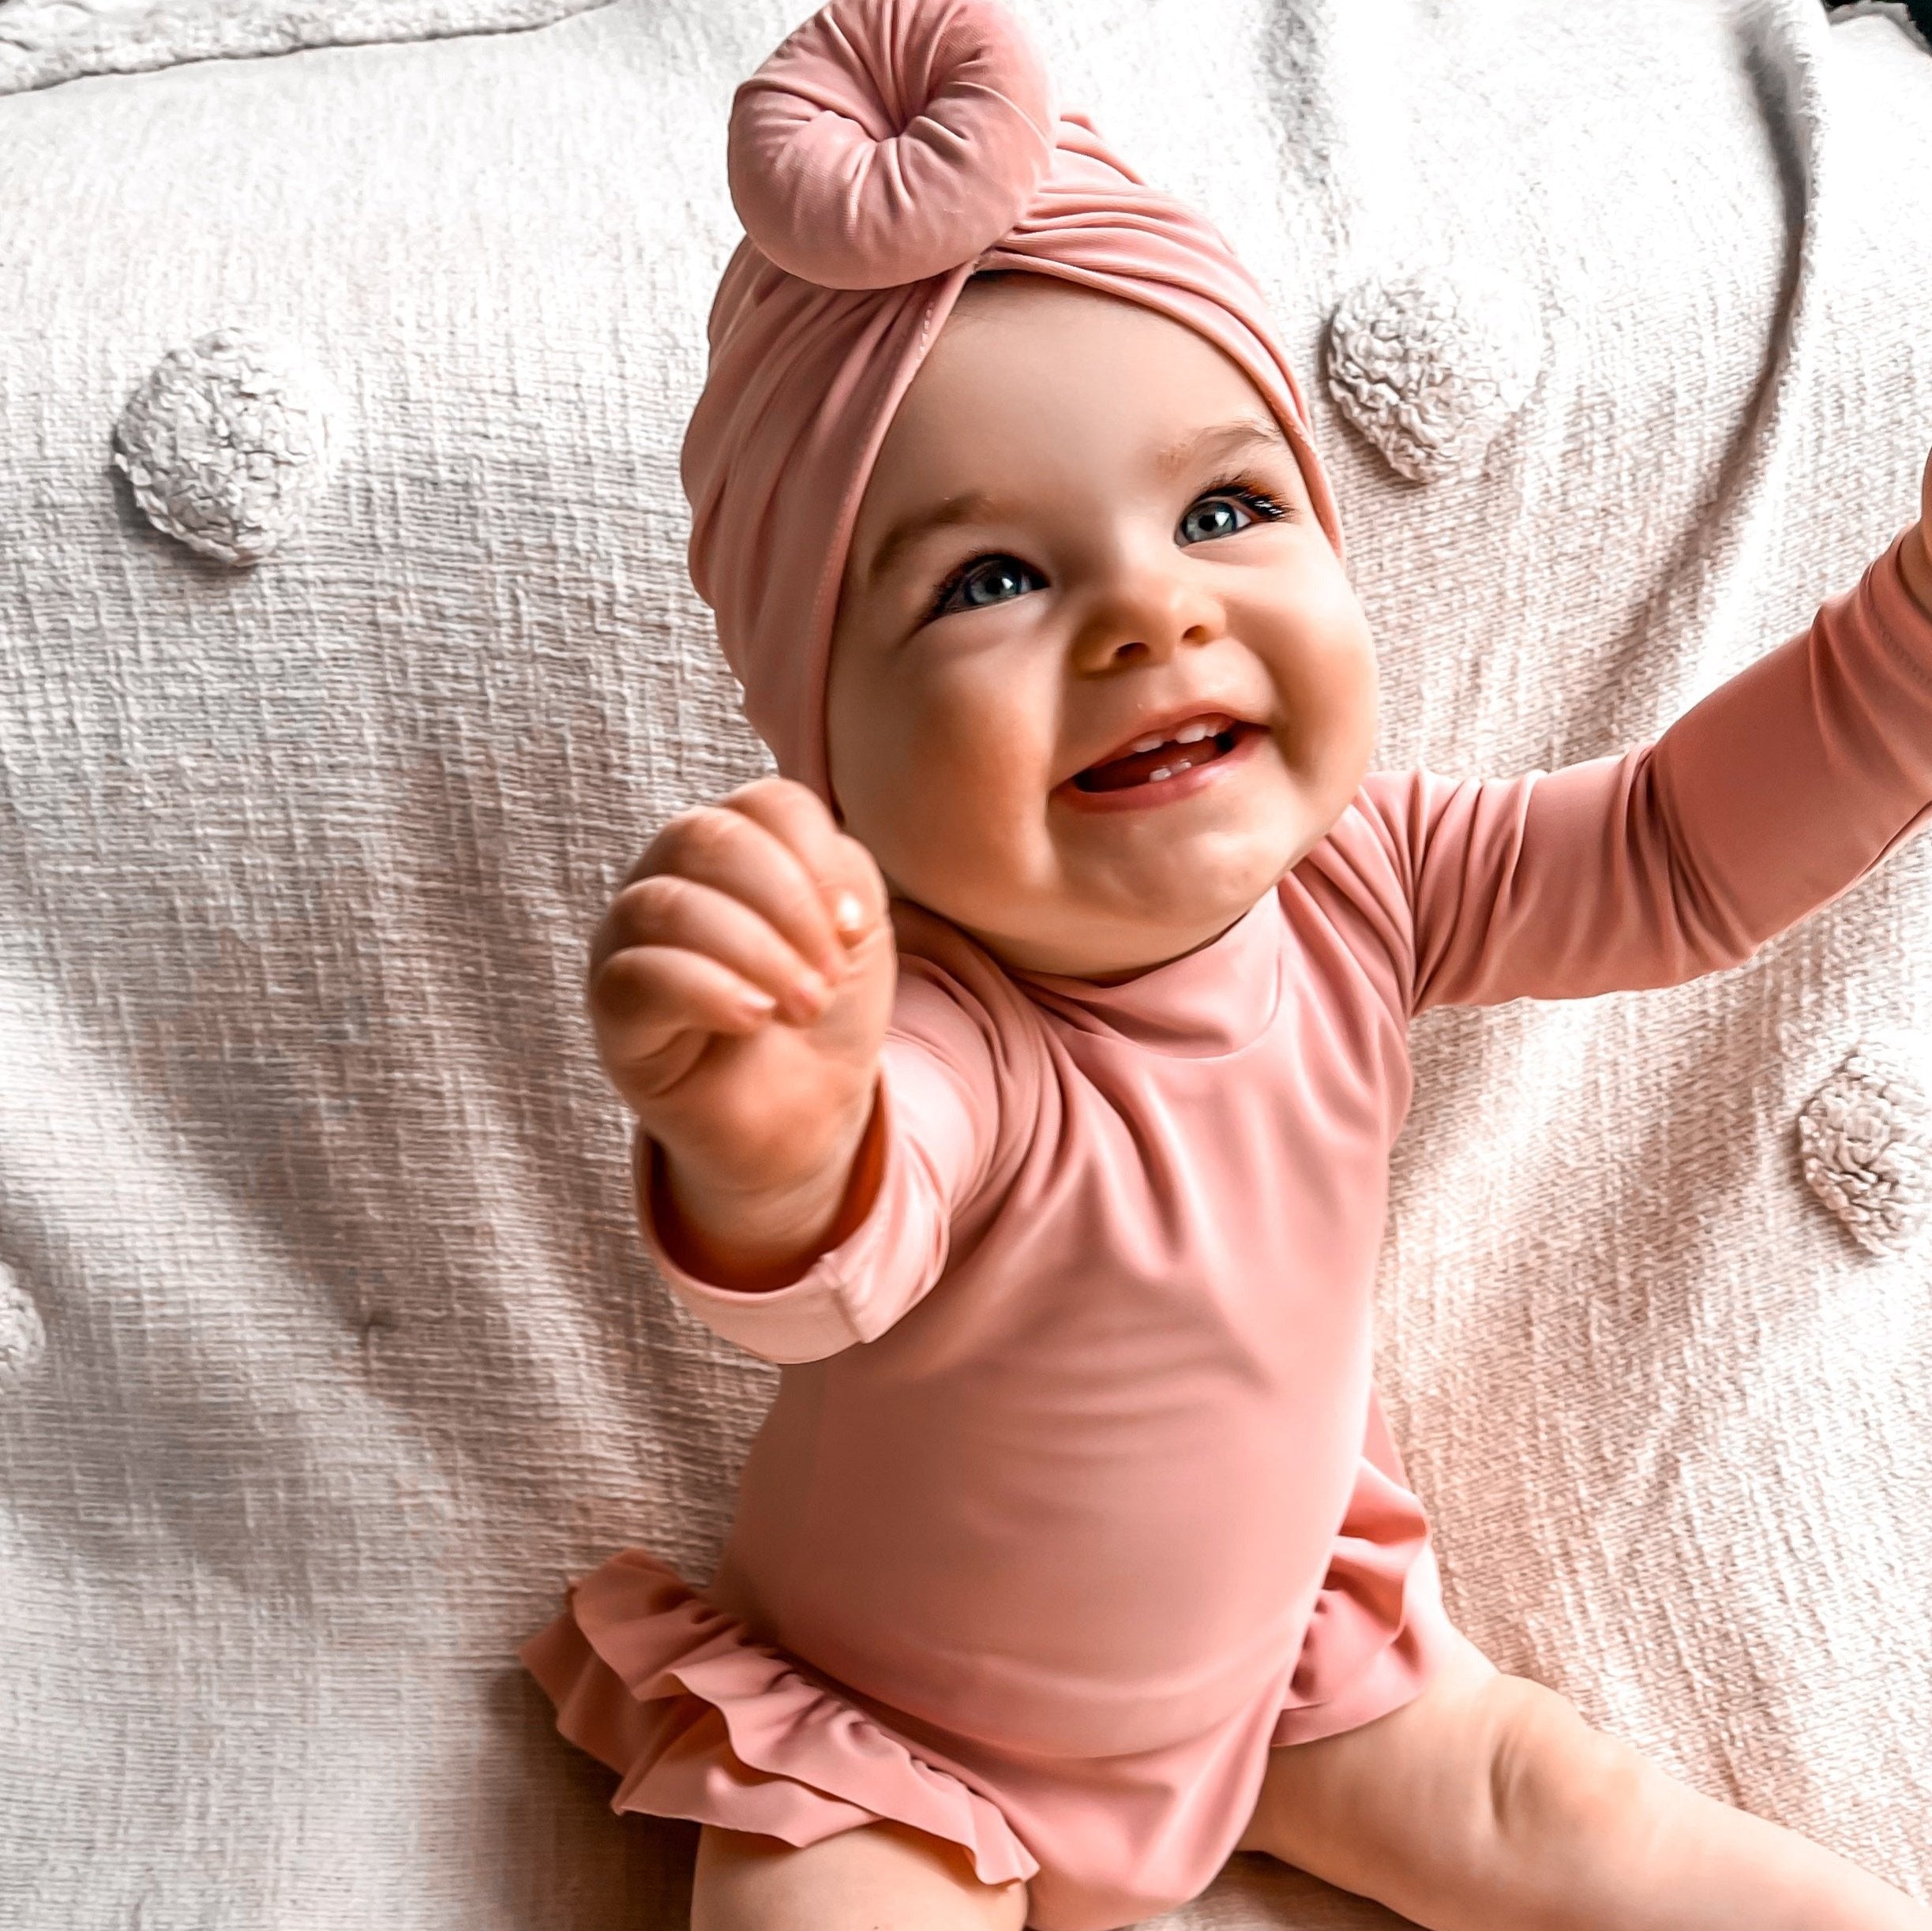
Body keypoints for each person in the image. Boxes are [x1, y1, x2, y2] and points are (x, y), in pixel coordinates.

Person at [520, 2, 1932, 1924]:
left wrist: (1911, 644)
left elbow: (1678, 850)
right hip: (897, 1735)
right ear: (825, 744)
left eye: (1225, 507)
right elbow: (831, 1259)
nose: (1147, 611)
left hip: (1283, 1670)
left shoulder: (1371, 878)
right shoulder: (946, 1024)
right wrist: (771, 1130)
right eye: (989, 581)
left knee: (1563, 1804)